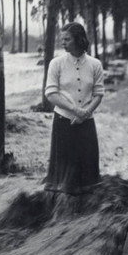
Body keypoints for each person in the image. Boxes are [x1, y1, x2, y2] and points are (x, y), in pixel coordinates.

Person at [44, 22, 104, 198]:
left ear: (79, 39)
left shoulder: (95, 64)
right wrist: (75, 110)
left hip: (86, 123)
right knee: (64, 171)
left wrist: (85, 113)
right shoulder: (56, 64)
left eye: (67, 39)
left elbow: (99, 94)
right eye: (61, 39)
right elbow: (51, 94)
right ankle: (63, 208)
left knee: (87, 168)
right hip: (63, 122)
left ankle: (85, 208)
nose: (63, 43)